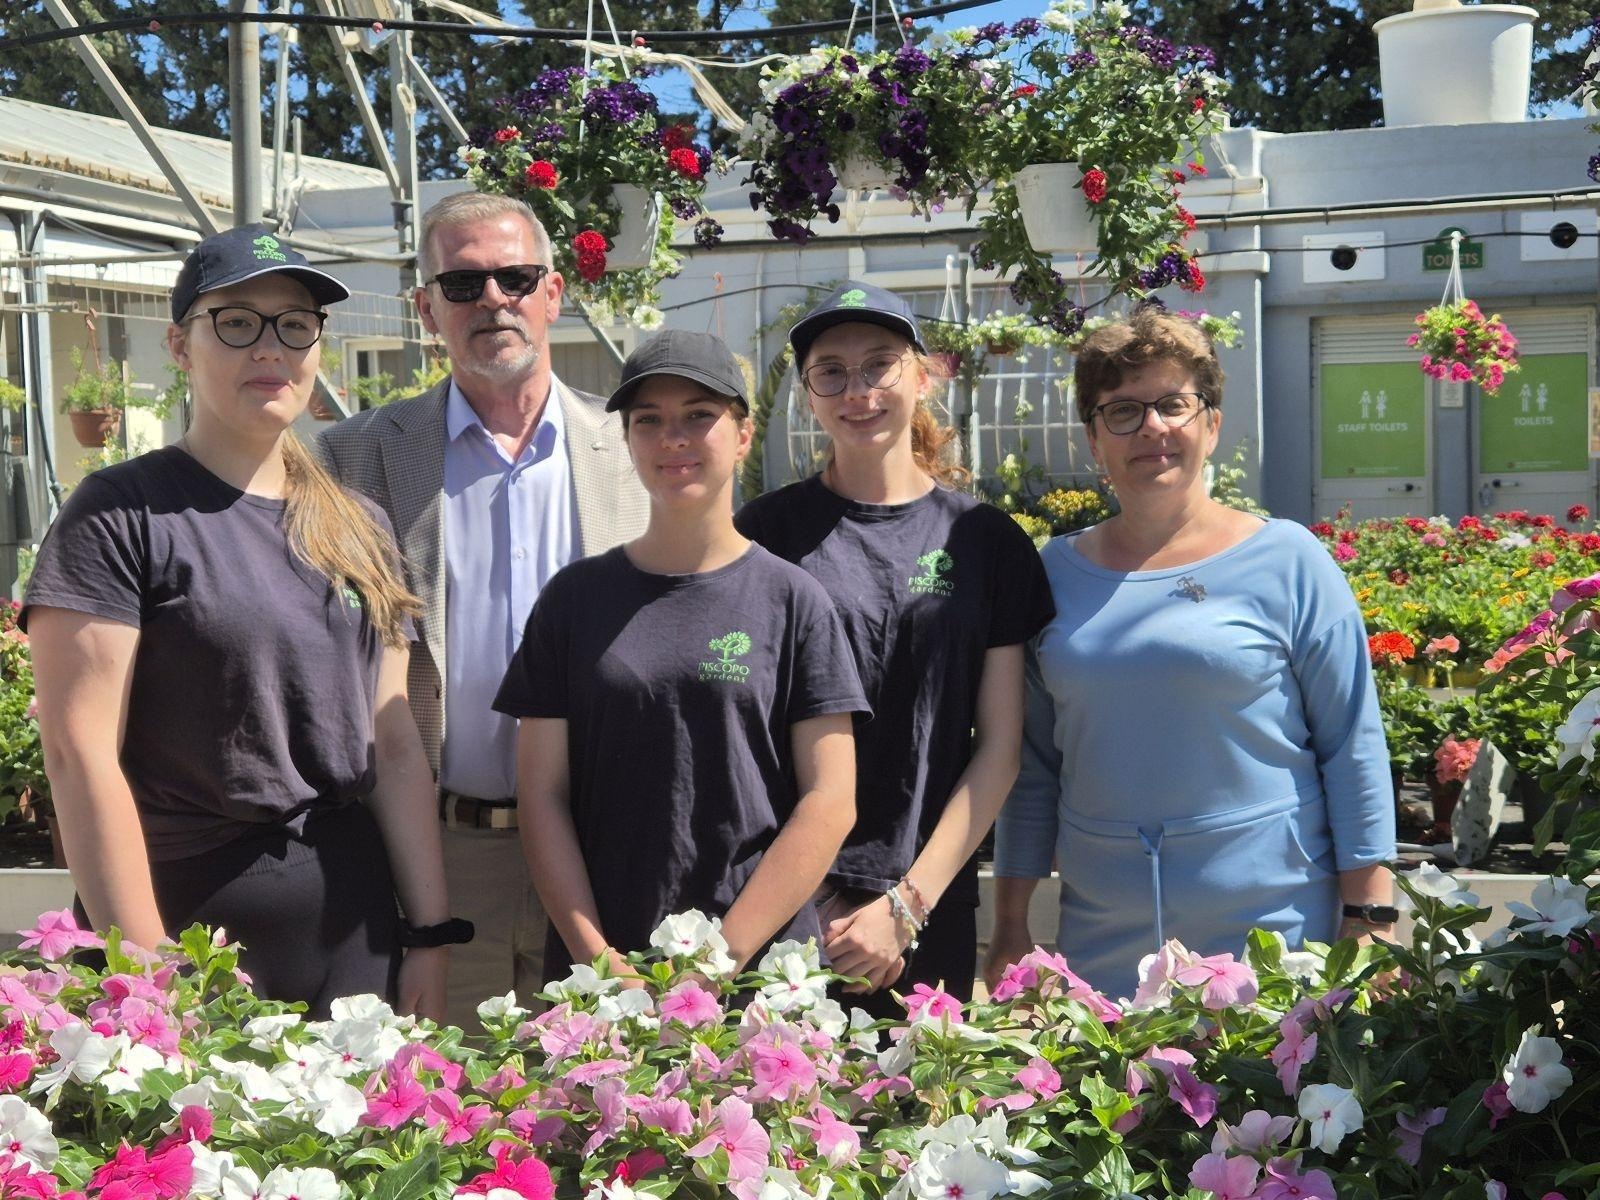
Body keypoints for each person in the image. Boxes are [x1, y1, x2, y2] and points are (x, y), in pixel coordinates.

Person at [25, 225, 452, 1019]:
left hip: (347, 924)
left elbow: (393, 747)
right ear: (181, 346)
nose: (270, 347)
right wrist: (145, 975)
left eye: (294, 324)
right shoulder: (120, 515)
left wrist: (428, 932)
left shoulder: (356, 523)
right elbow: (77, 750)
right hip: (185, 924)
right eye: (237, 321)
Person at [985, 307, 1396, 1000]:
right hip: (1105, 946)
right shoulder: (1051, 575)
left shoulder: (1289, 560)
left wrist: (1371, 918)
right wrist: (1010, 926)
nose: (1152, 427)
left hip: (1275, 939)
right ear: (1093, 439)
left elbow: (1352, 744)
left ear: (1211, 422)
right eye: (1122, 411)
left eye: (1173, 404)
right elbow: (1032, 770)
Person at [318, 192, 649, 1026]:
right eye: (463, 284)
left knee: (603, 1113)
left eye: (514, 276)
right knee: (448, 1108)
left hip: (605, 845)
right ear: (426, 307)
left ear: (554, 294)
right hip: (437, 849)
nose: (492, 300)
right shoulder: (355, 455)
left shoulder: (637, 451)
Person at [494, 330, 867, 982]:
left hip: (757, 974)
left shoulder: (795, 600)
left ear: (744, 434)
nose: (674, 438)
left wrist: (720, 959)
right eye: (650, 421)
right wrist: (598, 960)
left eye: (700, 415)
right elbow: (542, 795)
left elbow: (831, 801)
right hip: (606, 969)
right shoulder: (573, 600)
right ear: (630, 442)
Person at [735, 283, 1055, 1014]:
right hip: (785, 908)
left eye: (880, 365)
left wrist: (906, 907)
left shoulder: (985, 542)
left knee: (924, 1117)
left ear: (922, 374)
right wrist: (805, 900)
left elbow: (1000, 748)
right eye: (832, 372)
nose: (858, 391)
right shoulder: (764, 534)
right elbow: (744, 736)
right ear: (809, 394)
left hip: (925, 907)